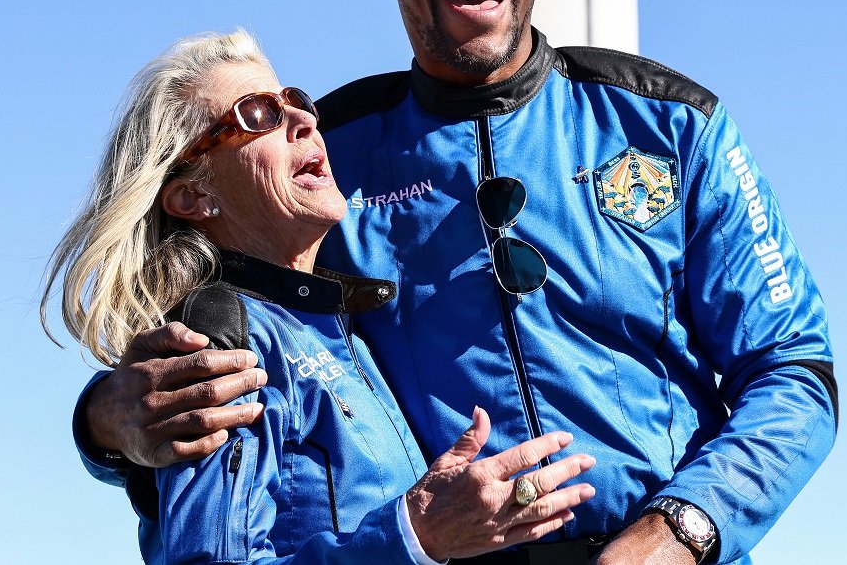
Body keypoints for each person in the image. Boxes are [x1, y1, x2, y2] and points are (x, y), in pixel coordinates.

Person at [75, 0, 838, 564]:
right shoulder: (323, 154)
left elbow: (795, 372)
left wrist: (683, 531)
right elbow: (220, 339)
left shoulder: (671, 125)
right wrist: (103, 422)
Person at [43, 29, 597, 564]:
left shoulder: (339, 326)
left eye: (296, 101)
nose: (305, 120)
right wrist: (415, 533)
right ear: (194, 196)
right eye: (258, 114)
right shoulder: (222, 341)